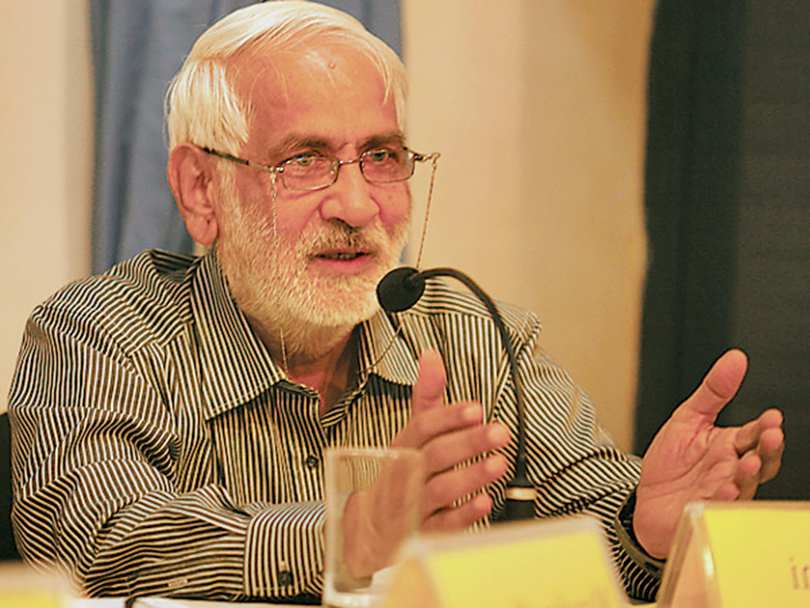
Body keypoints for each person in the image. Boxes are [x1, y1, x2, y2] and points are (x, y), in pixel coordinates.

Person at [8, 1, 784, 604]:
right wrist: (347, 534)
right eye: (304, 159)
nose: (357, 205)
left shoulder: (474, 335)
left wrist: (648, 526)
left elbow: (585, 531)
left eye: (381, 156)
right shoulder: (96, 334)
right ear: (200, 190)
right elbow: (96, 544)